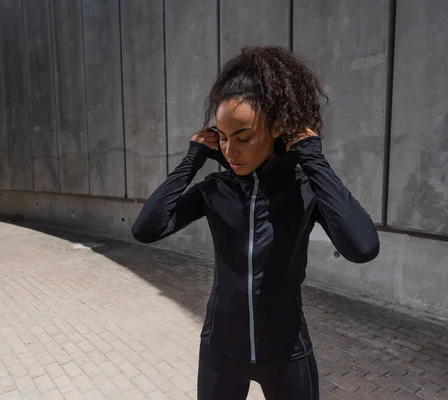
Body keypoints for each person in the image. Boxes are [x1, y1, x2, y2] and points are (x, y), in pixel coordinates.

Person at [132, 46, 379, 400]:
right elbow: (146, 229)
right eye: (224, 137)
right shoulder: (215, 190)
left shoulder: (304, 190)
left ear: (277, 127)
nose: (231, 151)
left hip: (286, 354)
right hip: (221, 350)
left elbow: (362, 246)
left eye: (244, 137)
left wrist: (312, 159)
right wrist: (191, 160)